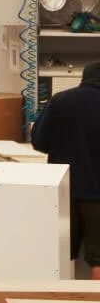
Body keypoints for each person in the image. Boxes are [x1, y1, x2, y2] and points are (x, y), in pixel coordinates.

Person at [31, 62, 100, 271]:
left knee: (61, 256)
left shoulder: (60, 100)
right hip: (98, 198)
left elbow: (39, 142)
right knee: (99, 261)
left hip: (62, 192)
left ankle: (61, 299)